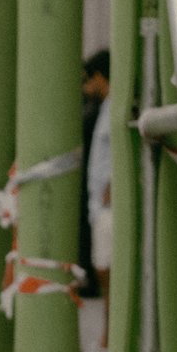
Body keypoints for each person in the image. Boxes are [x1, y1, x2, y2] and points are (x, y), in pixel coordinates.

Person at [78, 49, 109, 307]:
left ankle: (106, 337)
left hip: (105, 199)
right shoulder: (102, 110)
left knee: (106, 269)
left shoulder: (108, 110)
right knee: (103, 267)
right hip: (98, 197)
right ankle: (105, 337)